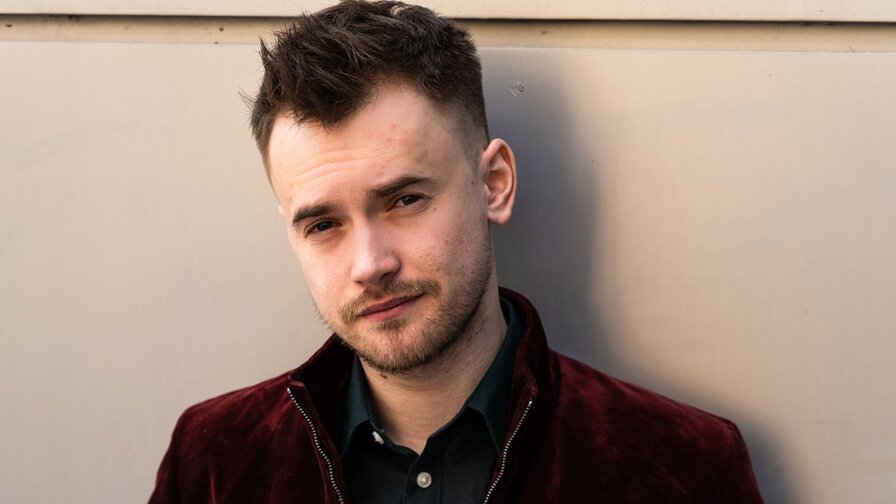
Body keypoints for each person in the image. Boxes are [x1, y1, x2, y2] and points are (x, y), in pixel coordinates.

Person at [149, 1, 764, 502]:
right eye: (324, 224)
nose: (370, 265)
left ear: (494, 184)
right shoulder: (213, 461)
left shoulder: (682, 468)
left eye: (405, 200)